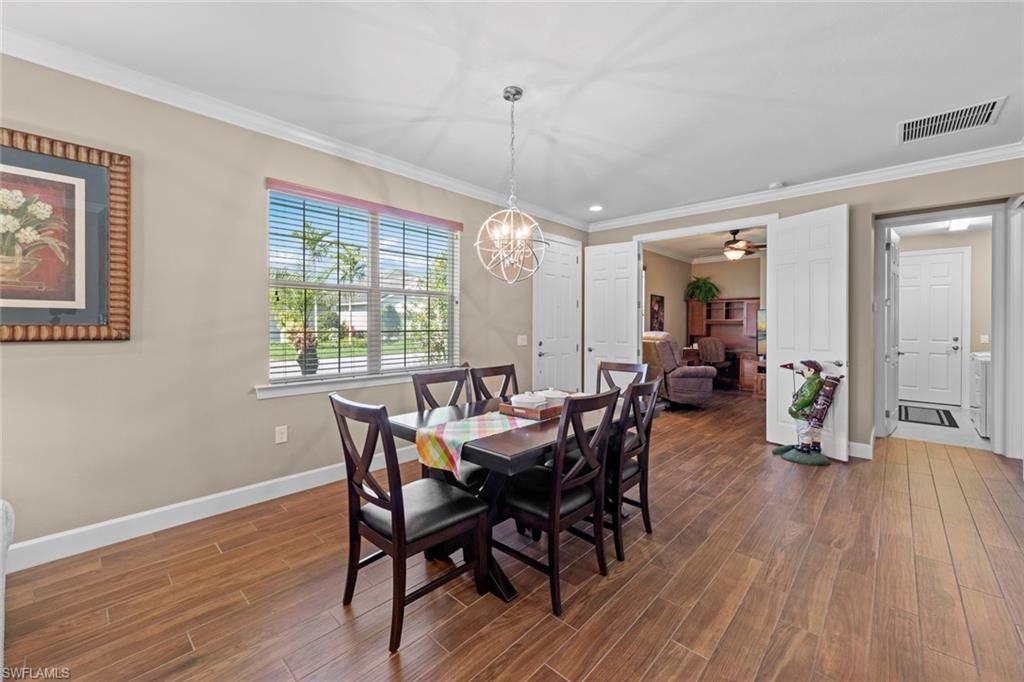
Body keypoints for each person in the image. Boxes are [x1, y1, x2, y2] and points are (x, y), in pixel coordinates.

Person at [788, 359, 824, 453]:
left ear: (811, 370)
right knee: (815, 430)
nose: (802, 371)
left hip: (804, 411)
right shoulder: (819, 380)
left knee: (804, 430)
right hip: (815, 411)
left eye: (804, 369)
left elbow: (806, 398)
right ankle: (816, 445)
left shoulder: (811, 383)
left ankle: (805, 446)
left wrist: (795, 407)